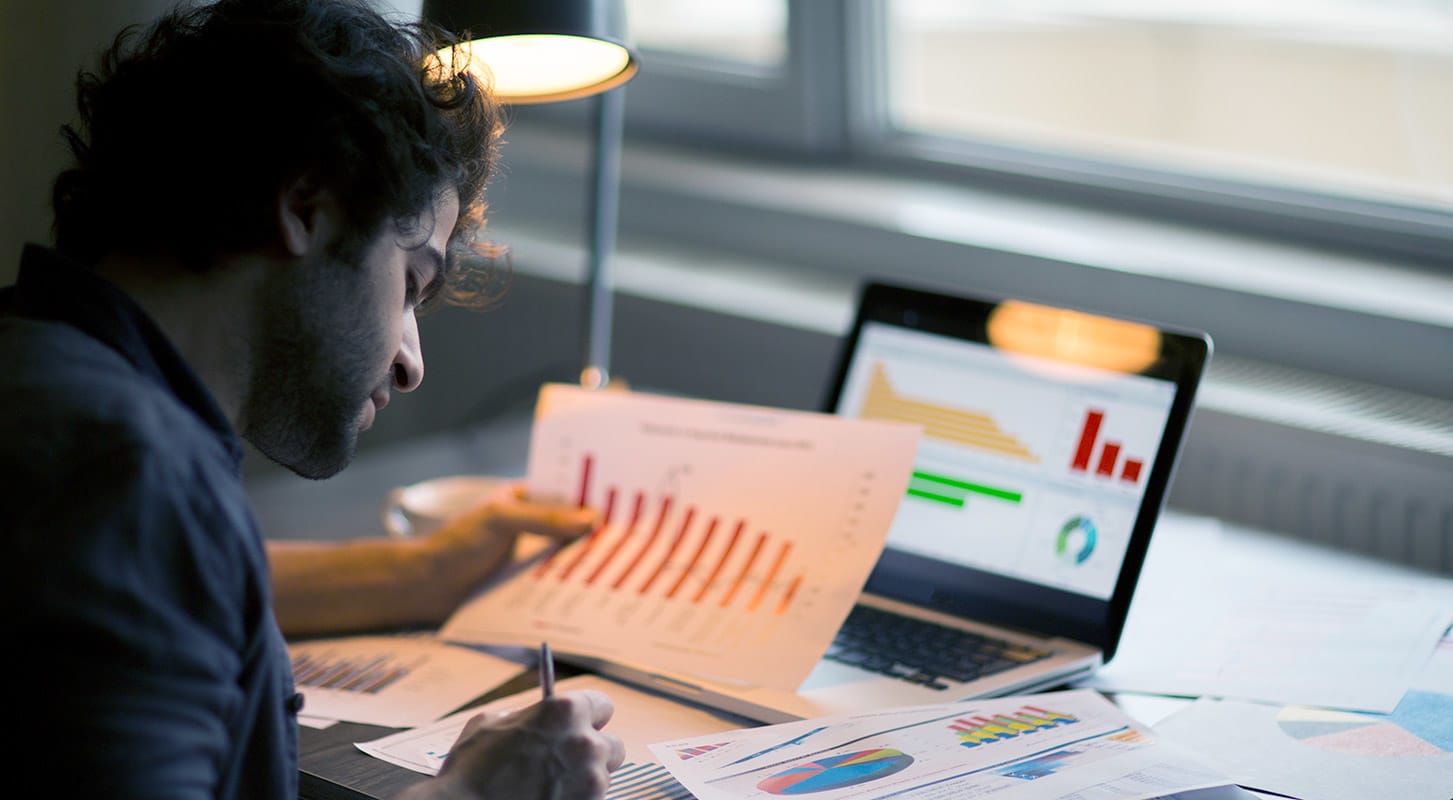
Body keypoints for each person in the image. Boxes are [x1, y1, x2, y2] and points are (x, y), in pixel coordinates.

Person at [0, 0, 624, 797]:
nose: (411, 364)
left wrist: (422, 572)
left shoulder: (41, 365)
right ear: (304, 208)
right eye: (409, 285)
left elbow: (169, 581)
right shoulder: (125, 479)